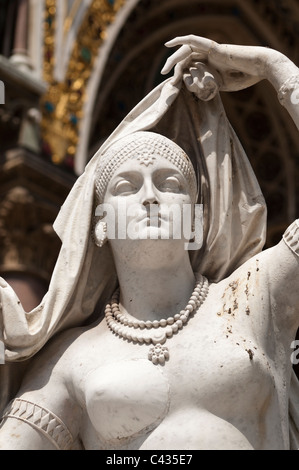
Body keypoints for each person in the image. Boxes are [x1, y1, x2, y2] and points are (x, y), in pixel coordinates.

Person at [0, 35, 298, 450]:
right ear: (100, 224)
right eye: (126, 185)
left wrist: (274, 67)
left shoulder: (253, 295)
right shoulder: (68, 360)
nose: (150, 196)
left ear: (195, 220)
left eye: (169, 183)